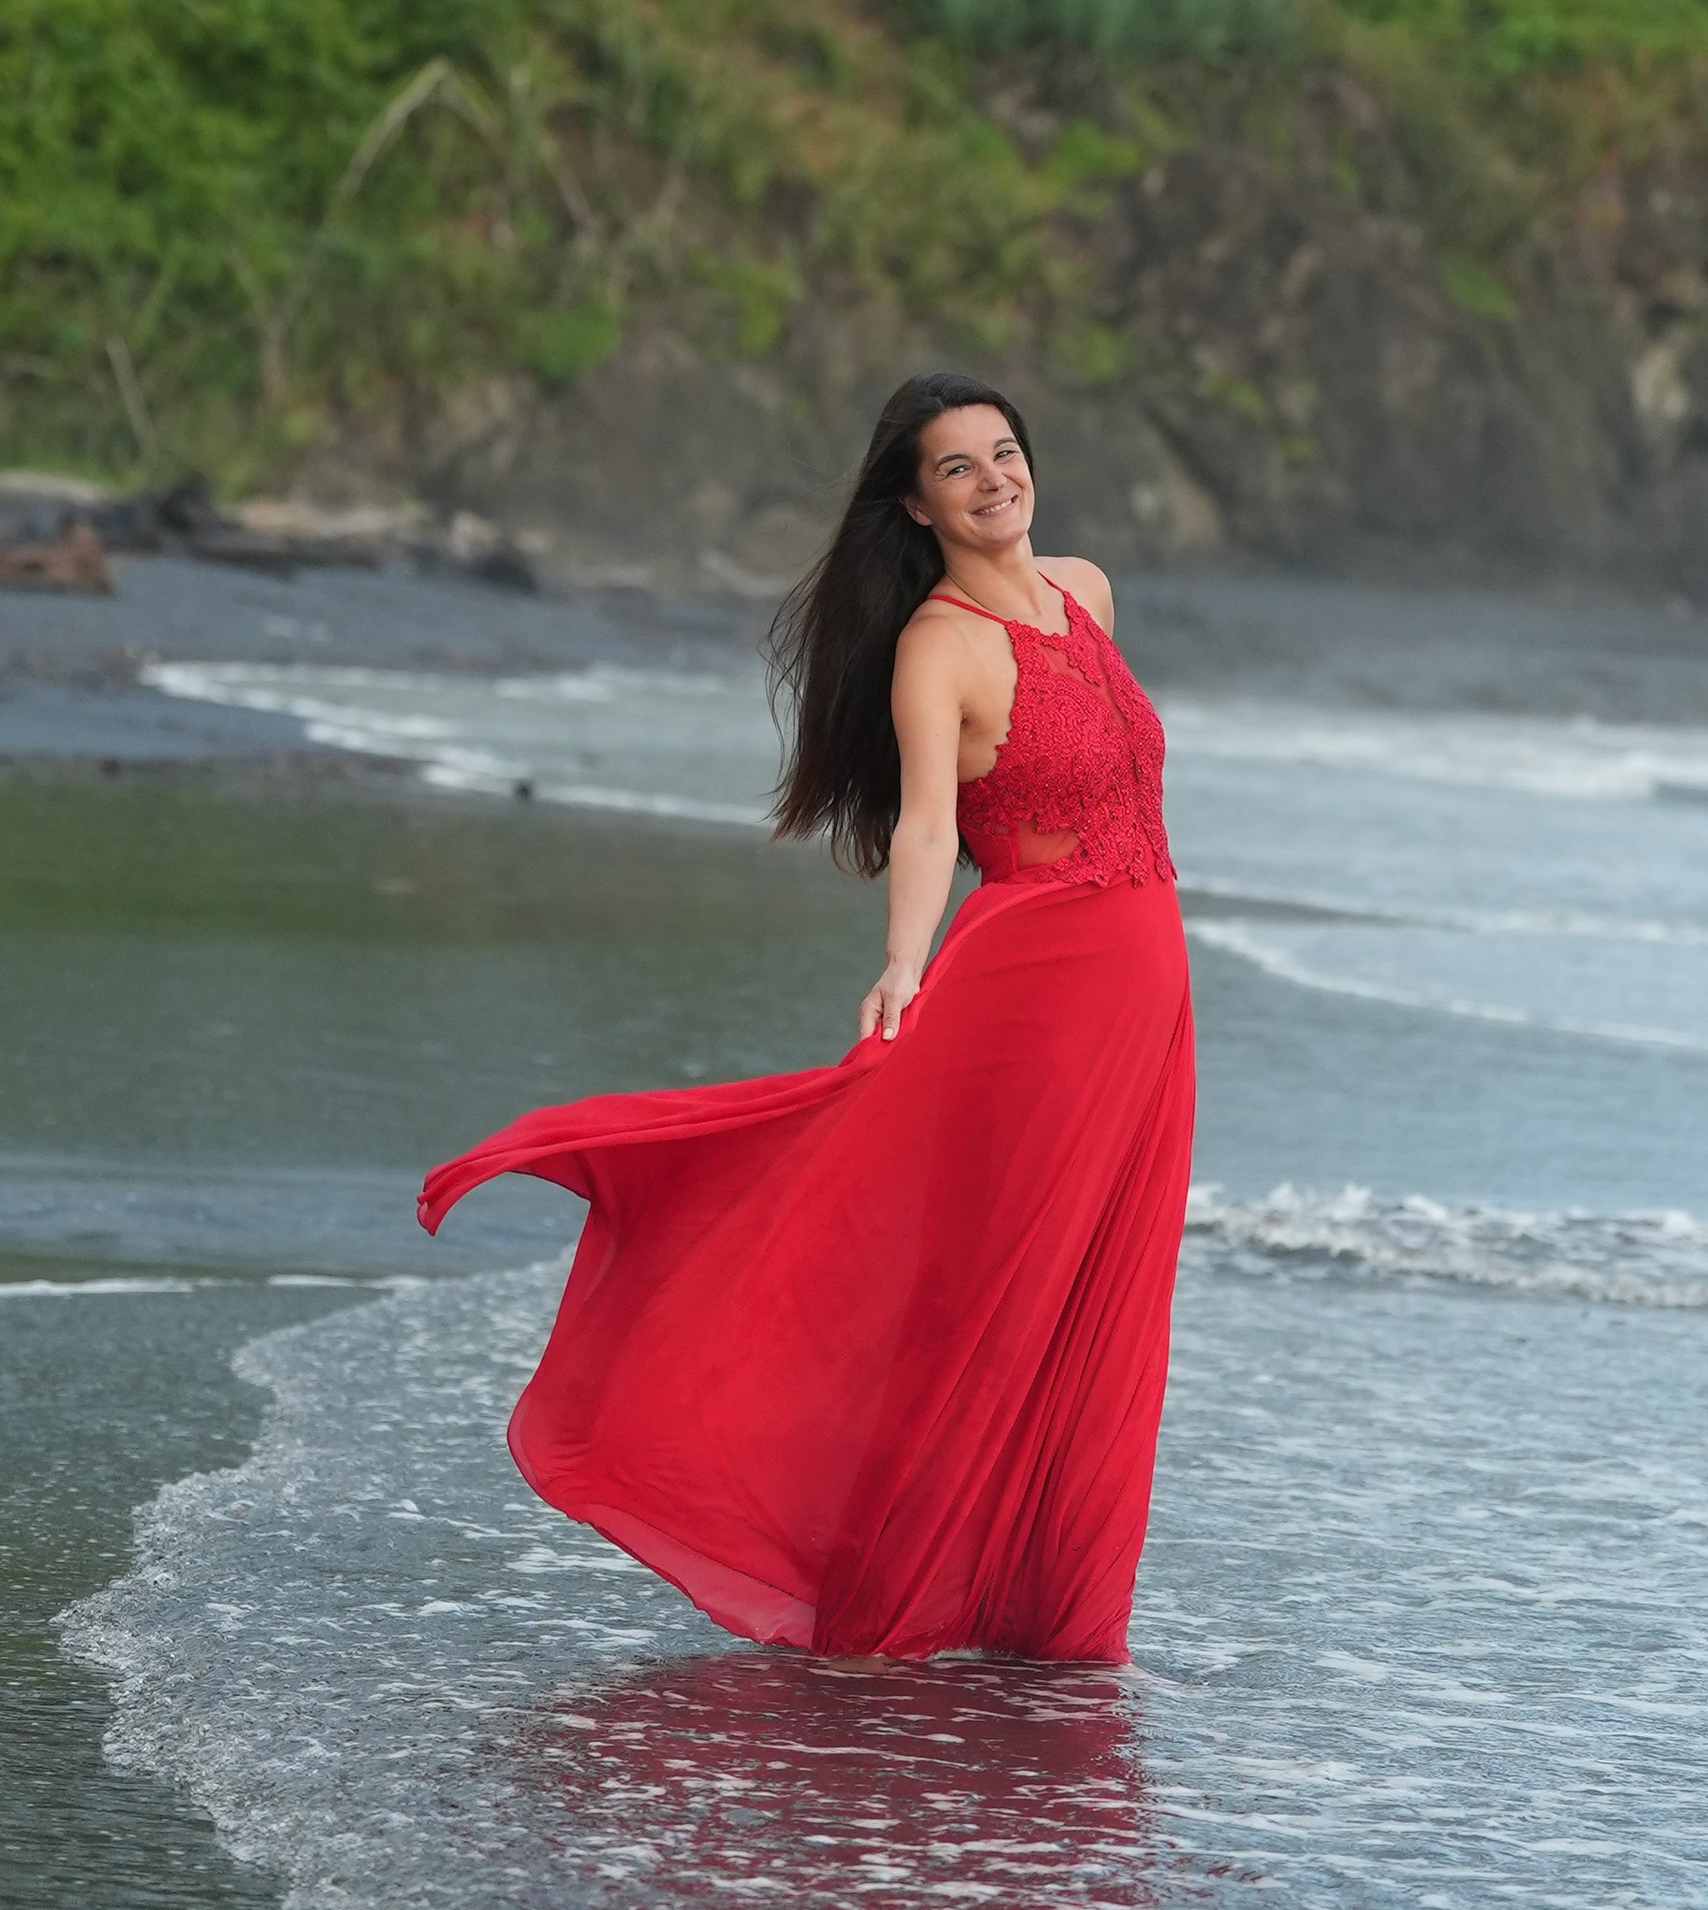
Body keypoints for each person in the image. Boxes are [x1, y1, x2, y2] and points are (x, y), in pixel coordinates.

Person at [416, 373, 1196, 1663]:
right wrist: (902, 966)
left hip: (1147, 985)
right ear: (915, 501)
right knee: (995, 1281)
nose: (995, 480)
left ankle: (1043, 1613)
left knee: (1100, 1289)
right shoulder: (937, 646)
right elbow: (932, 824)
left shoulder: (1090, 591)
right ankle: (902, 1604)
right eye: (959, 468)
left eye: (1007, 454)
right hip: (1037, 988)